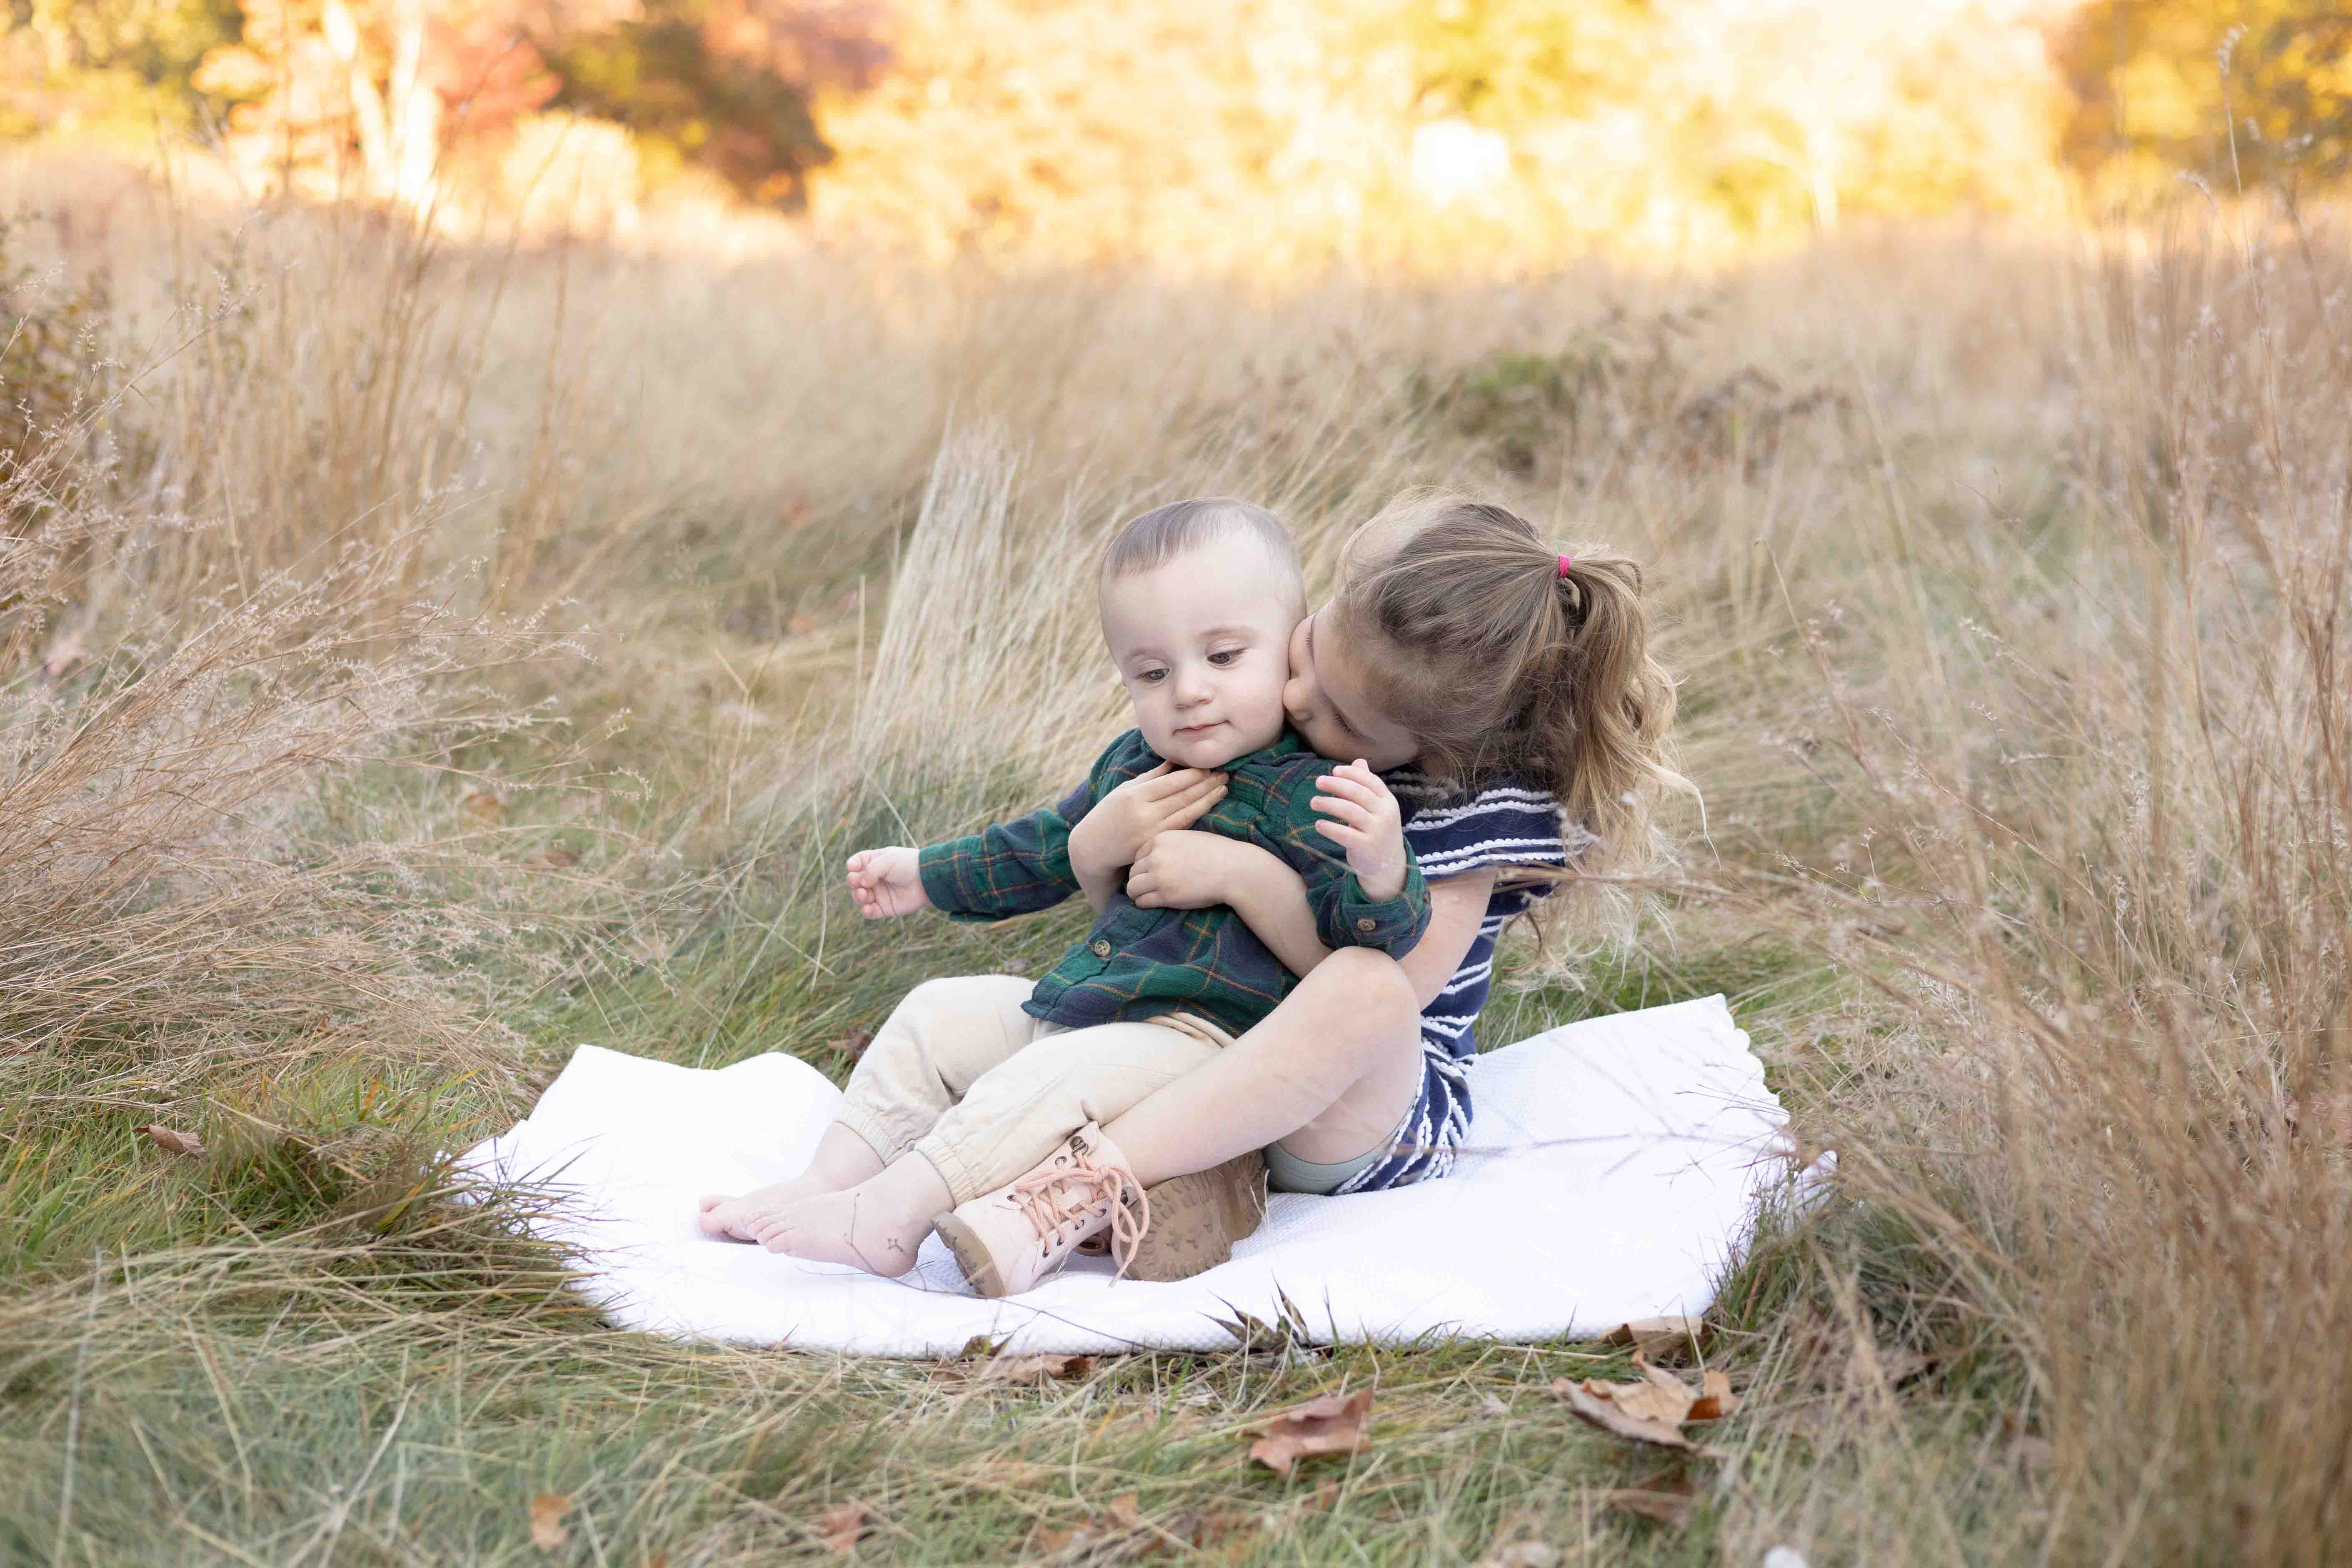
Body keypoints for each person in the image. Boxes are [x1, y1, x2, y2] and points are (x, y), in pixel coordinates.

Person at [698, 497, 1434, 1294]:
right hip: (1089, 1006)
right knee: (934, 1014)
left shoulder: (1316, 791)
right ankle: (825, 1182)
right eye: (1152, 673)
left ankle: (890, 1216)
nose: (1188, 691)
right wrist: (927, 874)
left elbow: (1367, 949)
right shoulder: (1133, 765)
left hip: (1201, 1044)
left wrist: (1381, 867)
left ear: (1290, 648)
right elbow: (1043, 845)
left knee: (1043, 1083)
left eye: (1223, 657)